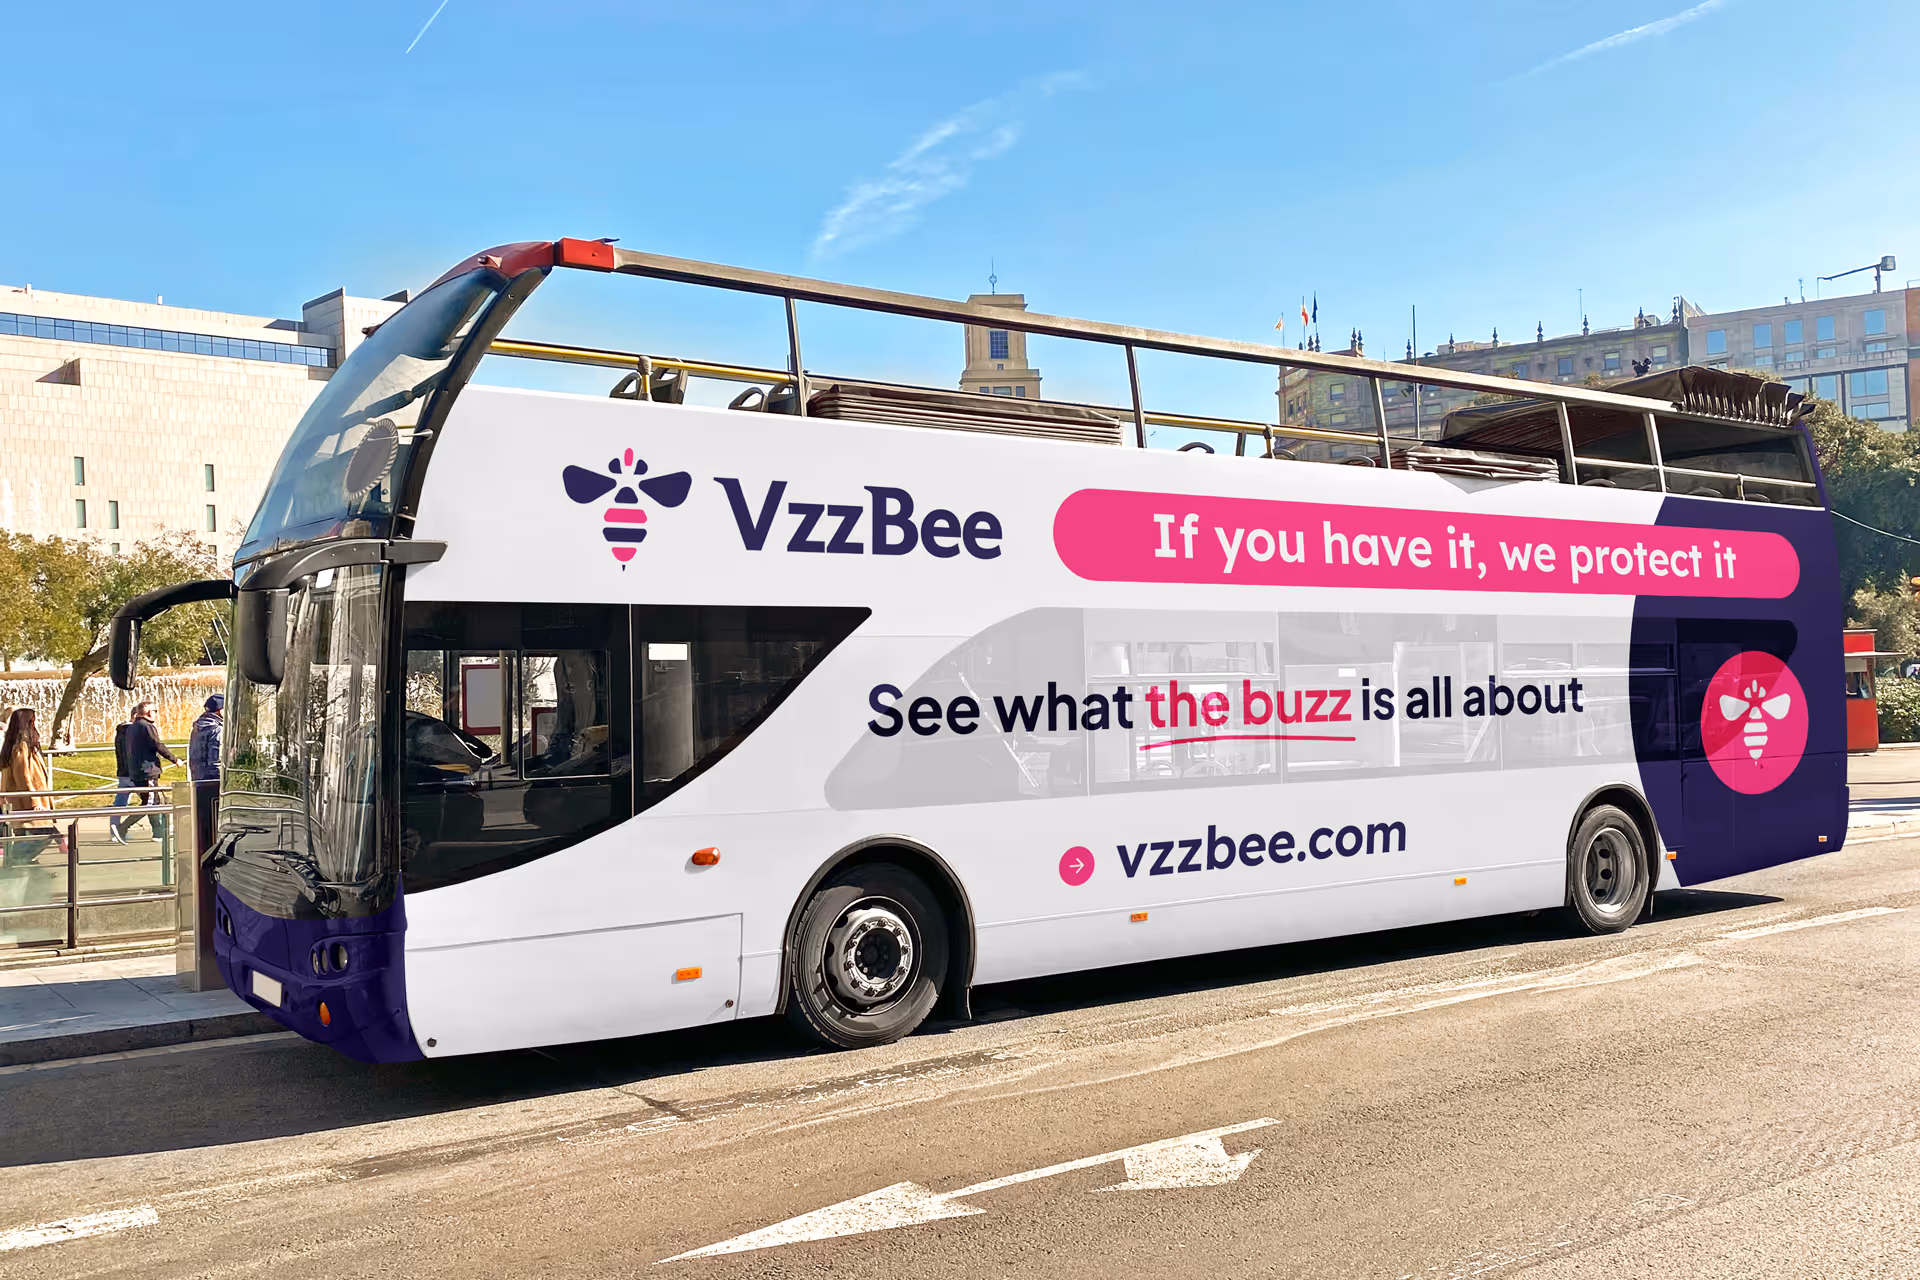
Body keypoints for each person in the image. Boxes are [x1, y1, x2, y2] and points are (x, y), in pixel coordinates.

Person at [110, 702, 178, 843]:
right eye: (155, 711)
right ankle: (122, 829)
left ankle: (158, 833)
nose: (156, 714)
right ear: (149, 713)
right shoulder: (147, 727)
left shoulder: (132, 727)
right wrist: (174, 759)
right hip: (147, 771)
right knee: (149, 803)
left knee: (154, 802)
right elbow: (158, 745)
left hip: (136, 771)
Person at [1, 707, 59, 866]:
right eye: (33, 720)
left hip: (21, 802)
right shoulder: (21, 747)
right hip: (27, 803)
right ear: (27, 722)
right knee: (44, 834)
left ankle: (24, 868)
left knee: (26, 835)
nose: (36, 723)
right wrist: (35, 802)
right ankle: (16, 863)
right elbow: (23, 777)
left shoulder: (18, 745)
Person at [188, 694, 223, 855]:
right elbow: (216, 760)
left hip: (198, 780)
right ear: (220, 711)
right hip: (212, 783)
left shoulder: (197, 727)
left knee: (203, 827)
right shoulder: (216, 729)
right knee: (215, 828)